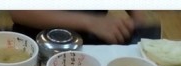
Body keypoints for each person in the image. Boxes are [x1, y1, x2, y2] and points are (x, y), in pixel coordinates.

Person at [10, 10, 160, 45]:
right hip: (38, 41)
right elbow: (19, 12)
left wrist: (137, 15)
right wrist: (91, 22)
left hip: (94, 41)